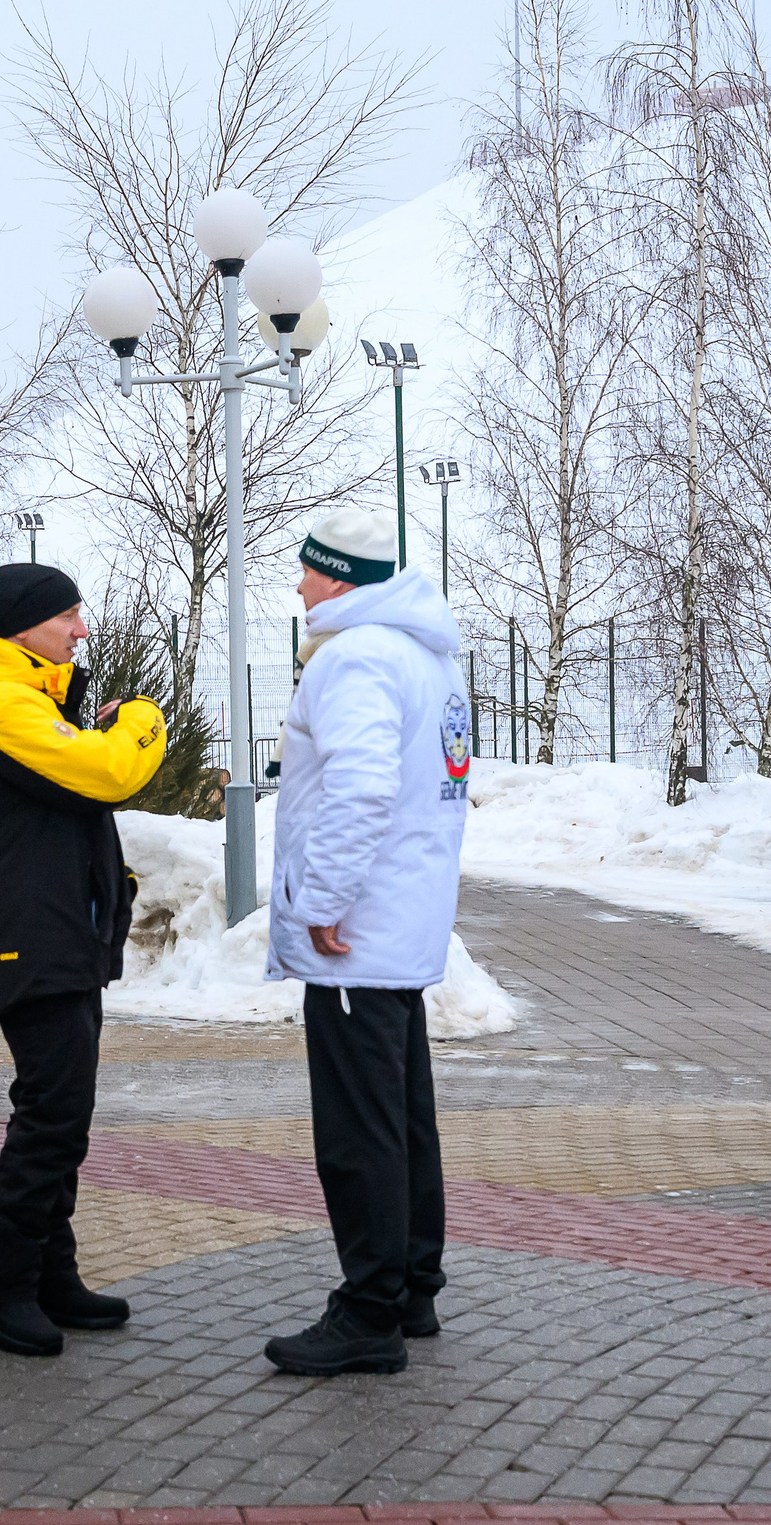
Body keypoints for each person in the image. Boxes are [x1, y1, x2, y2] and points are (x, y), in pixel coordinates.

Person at [0, 562, 167, 1358]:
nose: (81, 629)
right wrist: (141, 719)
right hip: (26, 935)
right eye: (68, 615)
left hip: (58, 931)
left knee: (64, 1106)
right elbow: (109, 771)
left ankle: (48, 1271)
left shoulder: (28, 697)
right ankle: (2, 1283)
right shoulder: (1, 701)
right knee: (53, 1109)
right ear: (23, 625)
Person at [262, 508, 471, 1378]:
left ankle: (369, 1308)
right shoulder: (428, 655)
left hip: (356, 932)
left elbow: (360, 786)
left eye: (309, 571)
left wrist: (323, 899)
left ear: (339, 577)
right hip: (400, 925)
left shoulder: (353, 657)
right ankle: (412, 1283)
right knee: (404, 1118)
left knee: (358, 1131)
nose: (299, 585)